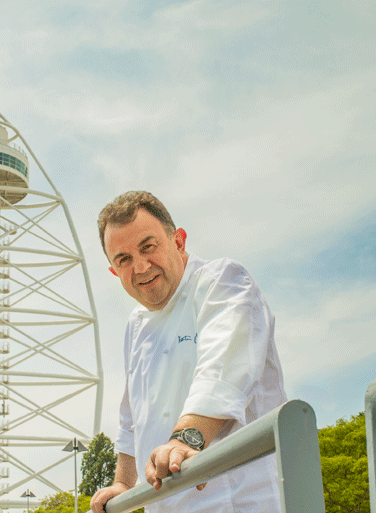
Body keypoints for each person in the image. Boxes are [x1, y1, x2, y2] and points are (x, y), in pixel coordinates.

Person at [90, 191, 287, 513]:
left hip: (241, 501)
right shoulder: (136, 325)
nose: (140, 267)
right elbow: (131, 422)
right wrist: (123, 484)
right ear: (114, 271)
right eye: (123, 259)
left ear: (178, 241)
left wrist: (185, 440)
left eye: (148, 247)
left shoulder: (222, 282)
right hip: (165, 503)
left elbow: (223, 370)